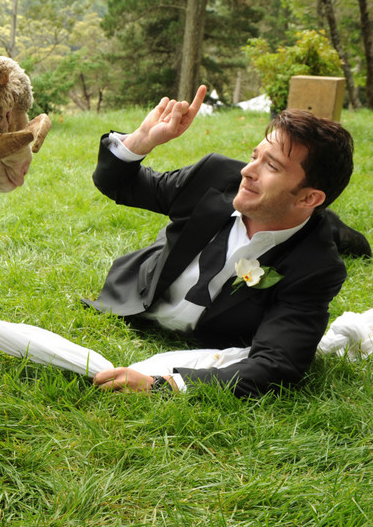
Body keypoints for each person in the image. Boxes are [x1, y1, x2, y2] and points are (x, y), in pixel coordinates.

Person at [85, 85, 366, 397]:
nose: (247, 171)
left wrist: (165, 385)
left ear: (309, 196)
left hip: (304, 223)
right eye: (254, 156)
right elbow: (117, 184)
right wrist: (142, 140)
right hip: (137, 293)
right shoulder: (218, 176)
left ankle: (342, 232)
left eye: (271, 166)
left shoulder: (317, 268)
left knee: (335, 233)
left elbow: (278, 362)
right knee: (314, 219)